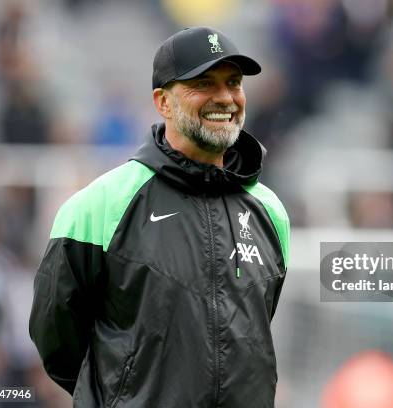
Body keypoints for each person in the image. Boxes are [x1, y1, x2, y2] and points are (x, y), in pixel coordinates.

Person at [29, 26, 290, 408]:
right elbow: (57, 344)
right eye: (204, 83)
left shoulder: (270, 211)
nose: (225, 98)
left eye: (233, 83)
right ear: (163, 102)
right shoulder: (99, 205)